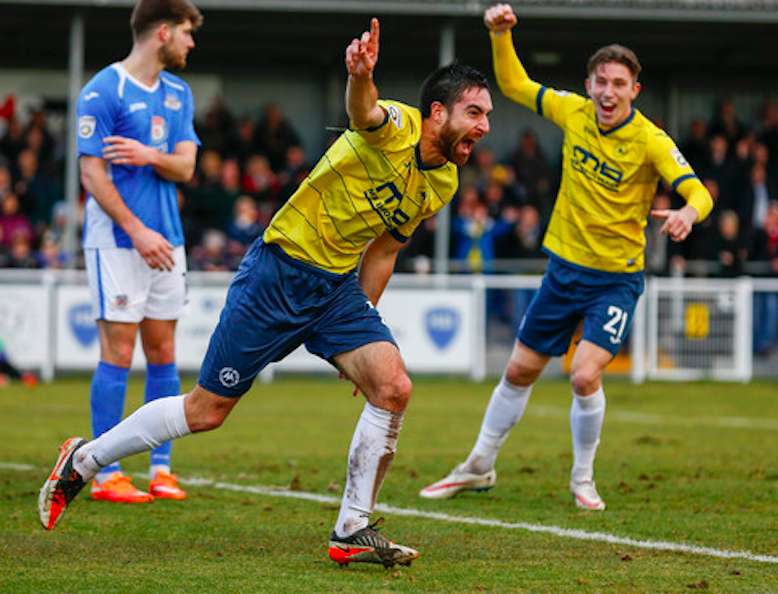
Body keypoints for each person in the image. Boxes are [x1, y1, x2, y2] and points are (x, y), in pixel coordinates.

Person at [39, 17, 493, 569]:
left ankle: (352, 528)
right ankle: (84, 459)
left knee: (393, 386)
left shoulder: (442, 180)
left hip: (335, 292)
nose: (485, 126)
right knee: (207, 411)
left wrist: (367, 333)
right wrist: (360, 75)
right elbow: (363, 111)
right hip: (276, 274)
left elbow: (383, 251)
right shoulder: (398, 123)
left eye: (487, 115)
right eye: (476, 113)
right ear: (438, 113)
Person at [420, 3, 713, 510]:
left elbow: (699, 192)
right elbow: (512, 84)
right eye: (600, 81)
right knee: (517, 373)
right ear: (590, 83)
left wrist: (688, 211)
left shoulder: (651, 141)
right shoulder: (572, 110)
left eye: (618, 83)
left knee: (583, 373)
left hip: (615, 280)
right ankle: (478, 466)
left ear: (633, 91)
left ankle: (582, 478)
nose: (607, 91)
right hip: (563, 271)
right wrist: (500, 35)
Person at [72, 0, 202, 504]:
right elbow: (92, 174)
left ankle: (161, 468)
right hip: (118, 242)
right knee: (119, 353)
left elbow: (187, 166)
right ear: (163, 32)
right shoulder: (103, 90)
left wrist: (151, 156)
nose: (191, 43)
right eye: (188, 33)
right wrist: (136, 230)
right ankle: (105, 474)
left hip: (168, 239)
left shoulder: (177, 93)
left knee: (164, 352)